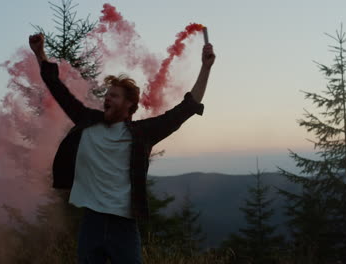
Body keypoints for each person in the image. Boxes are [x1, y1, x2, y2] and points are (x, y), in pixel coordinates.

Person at [29, 33, 215, 264]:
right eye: (107, 95)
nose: (107, 99)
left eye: (114, 96)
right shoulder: (88, 120)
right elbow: (57, 88)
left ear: (129, 105)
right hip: (91, 224)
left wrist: (205, 68)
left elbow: (186, 109)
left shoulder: (142, 133)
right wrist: (40, 54)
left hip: (124, 227)